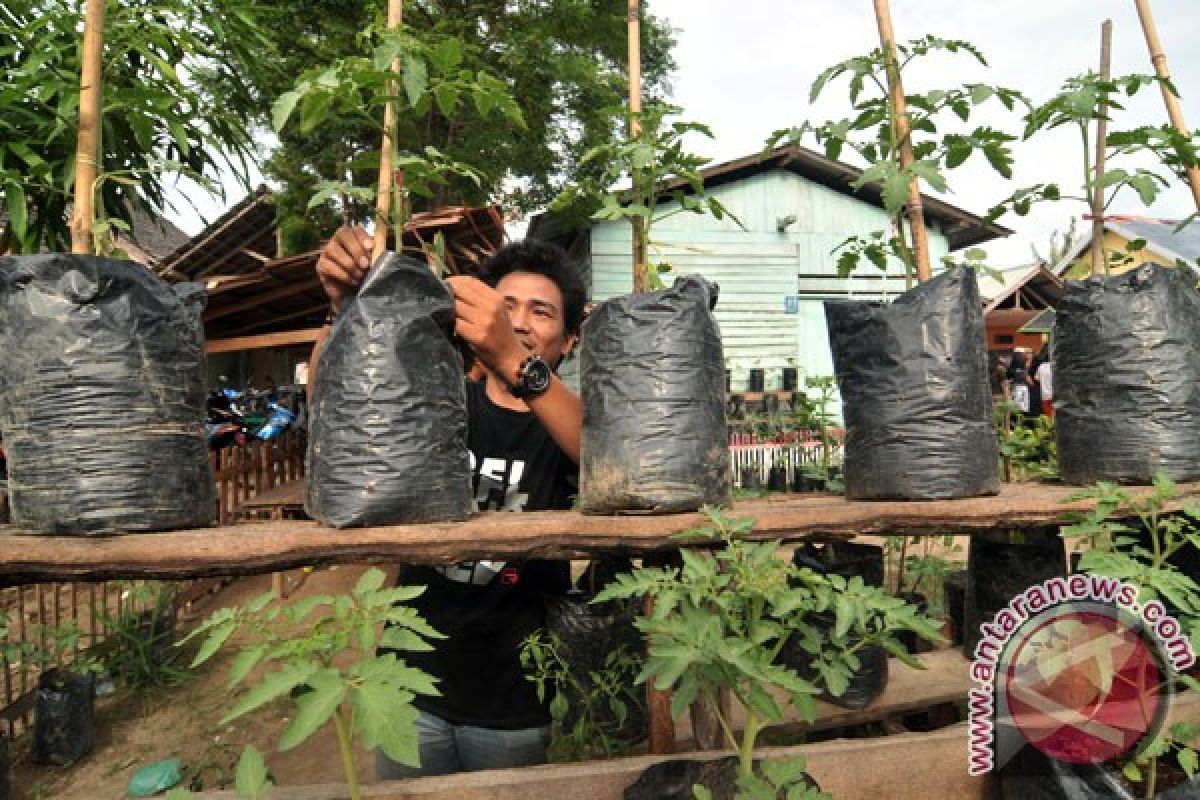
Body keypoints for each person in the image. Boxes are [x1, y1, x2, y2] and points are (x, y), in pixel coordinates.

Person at [312, 226, 587, 778]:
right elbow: (339, 405)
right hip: (407, 686)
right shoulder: (437, 401)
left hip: (514, 702)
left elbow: (602, 454)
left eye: (542, 312)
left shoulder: (565, 425)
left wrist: (515, 361)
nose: (519, 321)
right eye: (505, 305)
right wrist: (347, 308)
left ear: (569, 341)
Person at [1034, 349, 1053, 418]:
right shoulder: (1056, 366)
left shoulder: (1041, 366)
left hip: (1045, 395)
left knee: (1048, 416)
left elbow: (1036, 378)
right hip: (1055, 394)